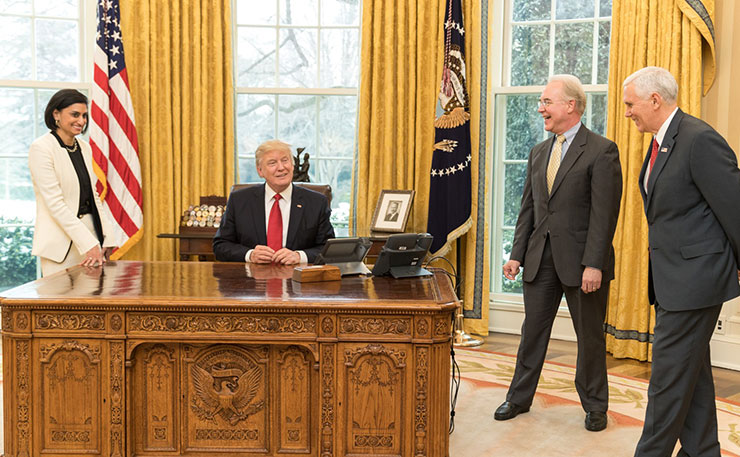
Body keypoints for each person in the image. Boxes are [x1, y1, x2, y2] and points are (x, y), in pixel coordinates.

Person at [494, 74, 623, 432]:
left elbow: (604, 215)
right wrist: (516, 254)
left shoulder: (602, 150)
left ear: (572, 105)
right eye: (541, 102)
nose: (540, 108)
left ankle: (596, 406)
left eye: (546, 102)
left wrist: (593, 264)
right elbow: (528, 210)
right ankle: (518, 398)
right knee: (531, 333)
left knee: (590, 338)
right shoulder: (539, 152)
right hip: (539, 260)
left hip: (583, 265)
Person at [623, 66, 740, 457]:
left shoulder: (699, 139)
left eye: (630, 104)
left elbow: (734, 209)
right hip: (676, 280)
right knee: (694, 376)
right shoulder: (662, 141)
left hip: (696, 281)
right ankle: (703, 450)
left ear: (655, 100)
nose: (627, 112)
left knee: (667, 381)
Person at [29, 89, 116, 276]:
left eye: (84, 115)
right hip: (60, 246)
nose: (82, 121)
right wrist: (88, 242)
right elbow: (55, 204)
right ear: (56, 114)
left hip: (91, 239)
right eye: (75, 115)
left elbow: (93, 196)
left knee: (90, 304)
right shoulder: (41, 148)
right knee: (60, 305)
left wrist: (107, 237)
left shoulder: (84, 147)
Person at [213, 139, 334, 264]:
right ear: (260, 171)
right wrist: (250, 255)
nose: (281, 168)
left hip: (297, 279)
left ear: (292, 165)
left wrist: (299, 256)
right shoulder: (239, 200)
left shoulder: (317, 202)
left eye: (285, 160)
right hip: (250, 279)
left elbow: (328, 250)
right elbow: (221, 246)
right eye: (272, 163)